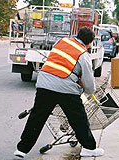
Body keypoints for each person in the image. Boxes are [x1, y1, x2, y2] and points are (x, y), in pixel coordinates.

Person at [14, 27, 104, 158]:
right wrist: (88, 91)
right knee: (78, 119)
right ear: (89, 43)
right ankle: (88, 148)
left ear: (77, 35)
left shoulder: (61, 42)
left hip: (44, 83)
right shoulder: (83, 55)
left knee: (37, 117)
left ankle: (22, 149)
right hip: (66, 89)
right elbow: (89, 84)